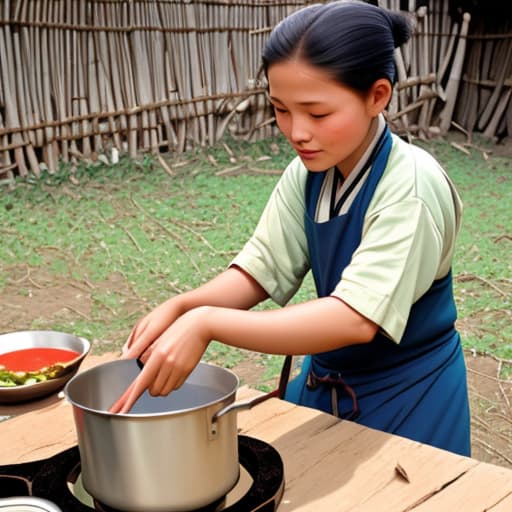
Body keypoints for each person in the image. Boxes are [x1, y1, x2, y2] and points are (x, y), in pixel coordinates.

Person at [110, 0, 471, 456]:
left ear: (377, 96)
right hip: (328, 384)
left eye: (317, 114)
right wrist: (184, 305)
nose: (296, 132)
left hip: (408, 397)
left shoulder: (411, 187)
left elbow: (355, 318)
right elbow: (261, 270)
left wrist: (208, 323)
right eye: (281, 109)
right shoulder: (308, 173)